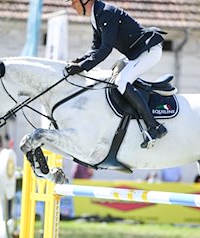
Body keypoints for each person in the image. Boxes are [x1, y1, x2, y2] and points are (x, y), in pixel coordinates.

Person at [65, 0, 168, 149]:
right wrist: (78, 61)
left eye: (74, 2)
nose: (72, 6)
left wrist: (82, 67)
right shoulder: (96, 16)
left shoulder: (106, 12)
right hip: (135, 53)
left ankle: (155, 126)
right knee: (112, 75)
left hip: (148, 51)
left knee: (121, 81)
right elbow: (96, 47)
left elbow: (106, 49)